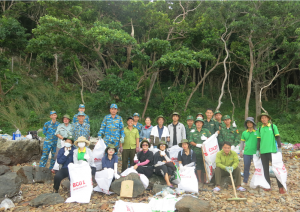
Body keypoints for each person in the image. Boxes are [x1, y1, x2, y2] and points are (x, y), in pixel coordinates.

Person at [256, 113, 285, 194]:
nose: (264, 119)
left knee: (276, 169)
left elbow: (277, 137)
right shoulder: (259, 129)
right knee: (265, 170)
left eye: (265, 117)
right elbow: (258, 140)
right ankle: (268, 186)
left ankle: (280, 187)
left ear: (268, 119)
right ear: (260, 120)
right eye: (262, 118)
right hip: (263, 153)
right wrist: (257, 150)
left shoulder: (273, 126)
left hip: (272, 151)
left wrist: (279, 147)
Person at [189, 117, 211, 185]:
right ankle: (199, 179)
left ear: (202, 124)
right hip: (196, 151)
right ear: (195, 124)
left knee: (205, 165)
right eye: (197, 122)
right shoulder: (192, 131)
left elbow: (210, 139)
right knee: (198, 165)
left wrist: (206, 138)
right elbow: (190, 141)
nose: (199, 124)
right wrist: (196, 145)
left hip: (205, 151)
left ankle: (205, 179)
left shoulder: (206, 131)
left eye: (200, 122)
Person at [240, 117, 257, 187]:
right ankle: (245, 181)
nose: (249, 124)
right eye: (248, 123)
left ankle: (257, 181)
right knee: (246, 167)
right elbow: (242, 142)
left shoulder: (257, 132)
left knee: (257, 167)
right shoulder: (244, 132)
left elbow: (260, 141)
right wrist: (241, 151)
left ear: (253, 124)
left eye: (250, 122)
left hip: (256, 153)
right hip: (246, 152)